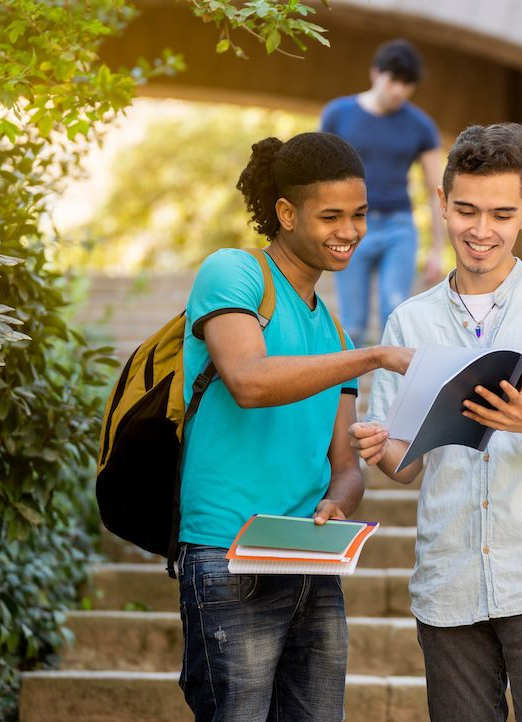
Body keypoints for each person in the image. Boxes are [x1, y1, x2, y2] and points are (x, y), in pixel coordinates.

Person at [349, 123, 522, 721]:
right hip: (448, 582)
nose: (481, 231)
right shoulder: (408, 322)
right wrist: (380, 447)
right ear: (443, 204)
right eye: (467, 211)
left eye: (501, 214)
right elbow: (408, 467)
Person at [176, 131, 413, 721]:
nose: (351, 231)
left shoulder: (332, 330)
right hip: (227, 553)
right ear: (286, 213)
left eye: (359, 214)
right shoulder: (234, 273)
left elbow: (345, 469)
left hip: (309, 561)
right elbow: (249, 380)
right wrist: (374, 356)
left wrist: (338, 503)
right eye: (331, 215)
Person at [320, 38, 447, 343]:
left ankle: (393, 392)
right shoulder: (339, 113)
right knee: (353, 326)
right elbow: (316, 176)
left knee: (395, 314)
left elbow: (437, 189)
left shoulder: (421, 126)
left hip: (398, 228)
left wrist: (438, 249)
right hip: (349, 227)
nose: (399, 90)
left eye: (407, 84)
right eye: (394, 80)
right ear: (376, 74)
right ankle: (349, 392)